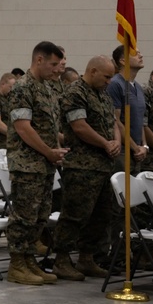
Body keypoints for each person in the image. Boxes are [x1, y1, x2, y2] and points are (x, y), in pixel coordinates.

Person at [51, 56, 119, 281]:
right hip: (82, 166)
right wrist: (105, 143)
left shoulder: (103, 94)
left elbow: (113, 122)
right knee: (75, 214)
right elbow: (79, 127)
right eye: (107, 76)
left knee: (102, 214)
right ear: (93, 70)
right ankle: (61, 260)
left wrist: (116, 140)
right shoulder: (75, 93)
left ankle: (86, 258)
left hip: (103, 166)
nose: (110, 81)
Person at [4, 41, 67, 286]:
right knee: (24, 216)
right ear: (38, 60)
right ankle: (17, 264)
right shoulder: (23, 87)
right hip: (27, 163)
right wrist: (48, 151)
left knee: (40, 216)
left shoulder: (47, 88)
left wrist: (56, 147)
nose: (57, 69)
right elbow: (22, 128)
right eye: (53, 64)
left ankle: (30, 260)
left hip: (44, 164)